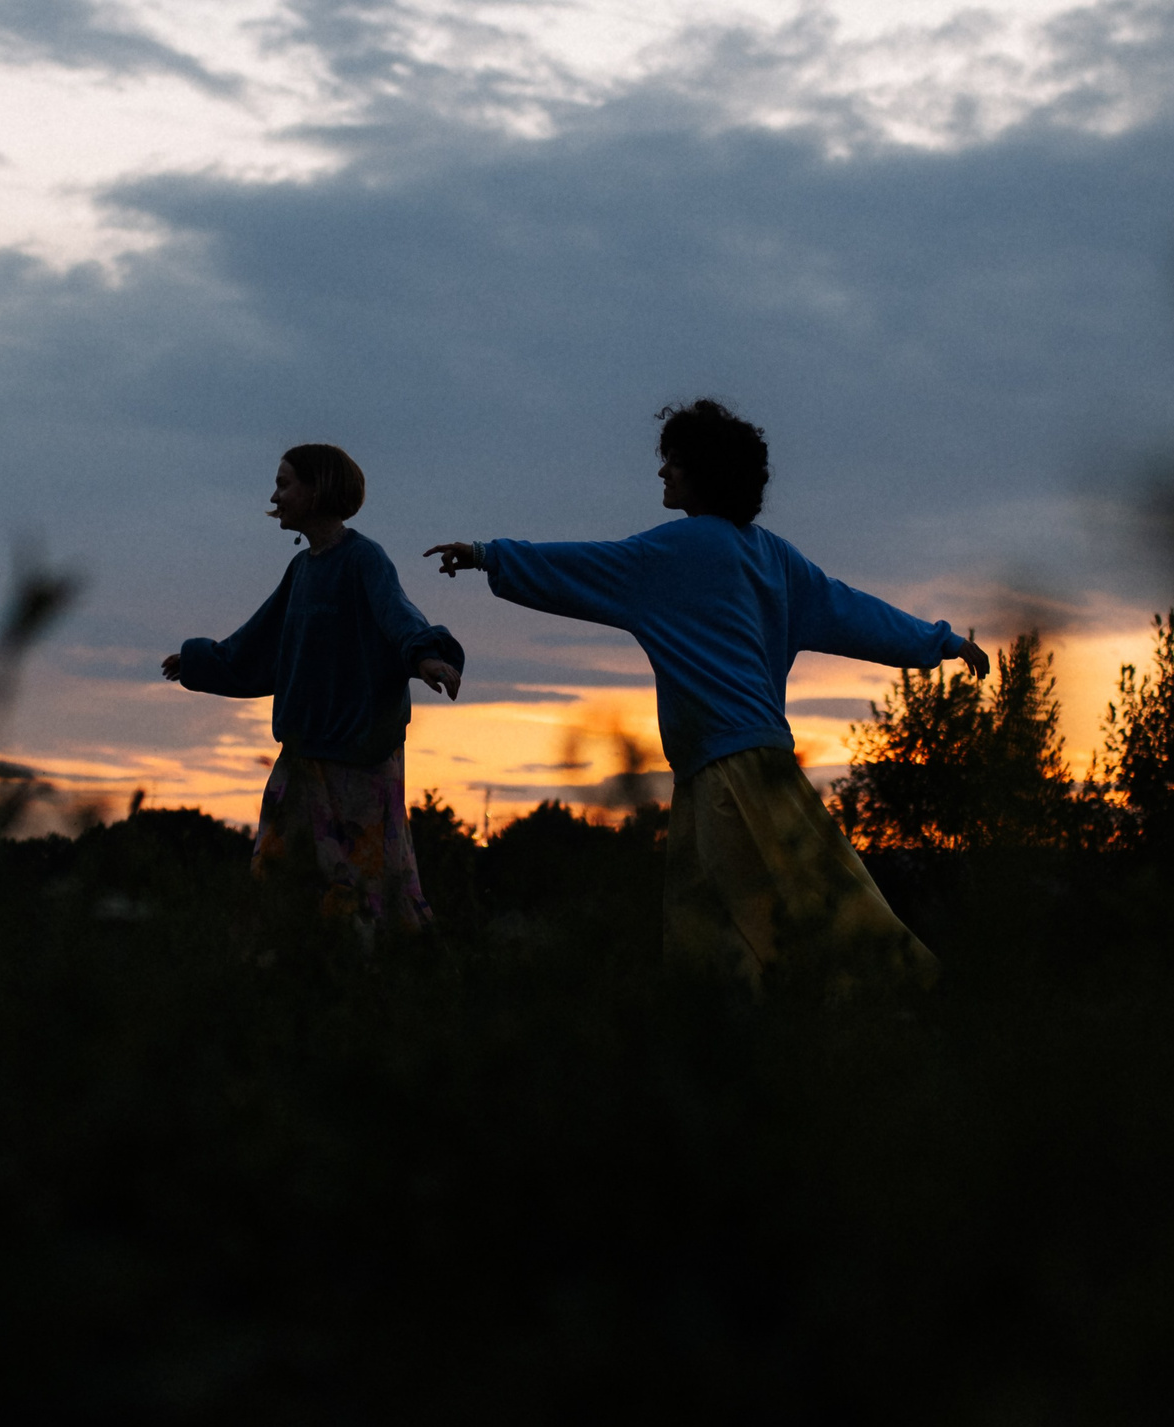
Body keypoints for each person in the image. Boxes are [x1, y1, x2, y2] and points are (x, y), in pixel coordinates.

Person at [428, 399, 989, 991]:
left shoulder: (676, 552)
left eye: (673, 461)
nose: (662, 472)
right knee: (755, 919)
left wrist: (487, 555)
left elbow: (583, 567)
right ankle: (788, 1028)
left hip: (730, 774)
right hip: (731, 771)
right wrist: (940, 641)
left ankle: (921, 1002)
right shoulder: (774, 556)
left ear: (705, 472)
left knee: (790, 918)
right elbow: (854, 611)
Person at [166, 443, 464, 935]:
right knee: (282, 881)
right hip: (302, 758)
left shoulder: (364, 559)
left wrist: (426, 655)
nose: (274, 496)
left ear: (318, 489)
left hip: (359, 759)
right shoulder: (301, 570)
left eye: (284, 484)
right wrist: (201, 662)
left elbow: (397, 615)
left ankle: (385, 973)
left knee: (366, 889)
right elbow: (261, 641)